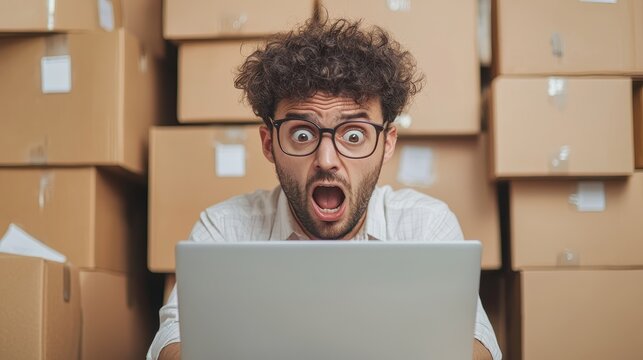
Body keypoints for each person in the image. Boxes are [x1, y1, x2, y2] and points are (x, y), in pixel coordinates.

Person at [147, 16, 502, 360]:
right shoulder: (223, 229)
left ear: (387, 143)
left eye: (354, 135)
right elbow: (172, 343)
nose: (327, 159)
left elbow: (477, 344)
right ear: (269, 143)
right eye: (302, 134)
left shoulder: (427, 226)